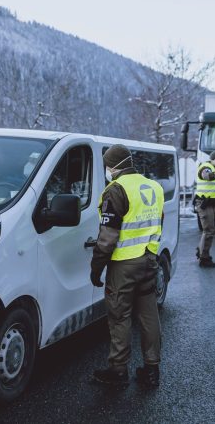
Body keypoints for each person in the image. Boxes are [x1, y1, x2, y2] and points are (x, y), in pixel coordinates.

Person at [90, 144, 164, 388]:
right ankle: (152, 370)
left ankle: (118, 371)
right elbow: (156, 224)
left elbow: (108, 237)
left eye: (107, 165)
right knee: (148, 315)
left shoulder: (116, 190)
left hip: (124, 265)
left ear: (114, 165)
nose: (107, 170)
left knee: (120, 316)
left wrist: (96, 266)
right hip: (149, 260)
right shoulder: (154, 186)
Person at [195, 151, 215, 268]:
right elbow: (206, 176)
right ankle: (204, 258)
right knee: (209, 231)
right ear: (214, 158)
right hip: (204, 203)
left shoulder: (213, 167)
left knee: (209, 230)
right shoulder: (206, 167)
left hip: (209, 203)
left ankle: (201, 251)